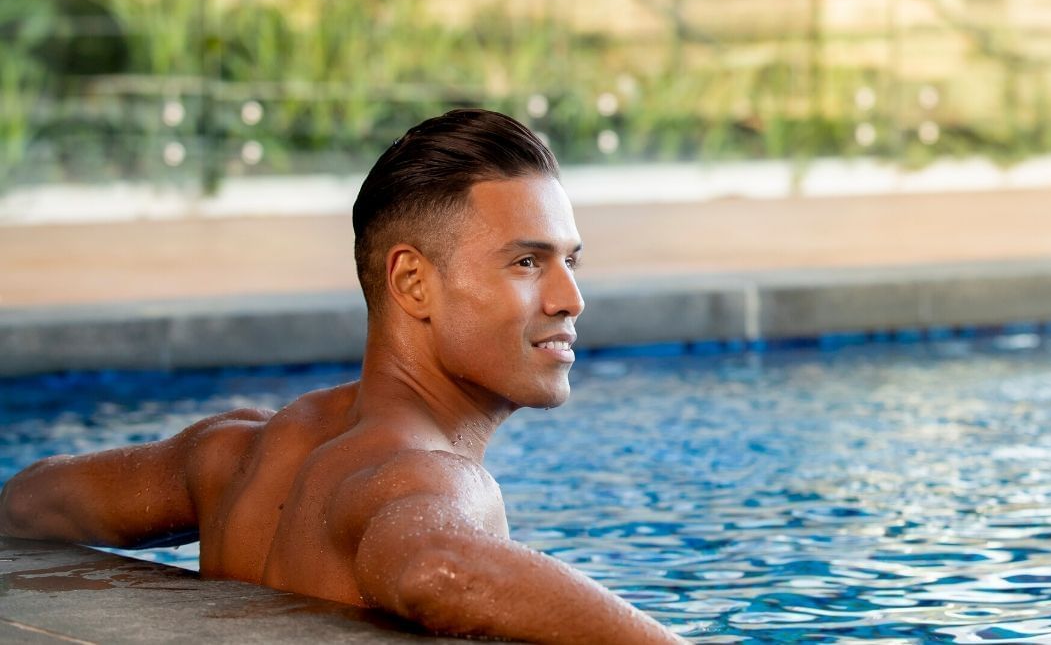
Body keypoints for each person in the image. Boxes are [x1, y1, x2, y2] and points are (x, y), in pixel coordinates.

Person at [0, 109, 683, 644]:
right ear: (413, 283)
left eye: (572, 261)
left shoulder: (234, 453)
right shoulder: (427, 476)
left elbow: (32, 500)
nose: (571, 298)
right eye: (528, 263)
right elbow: (440, 570)